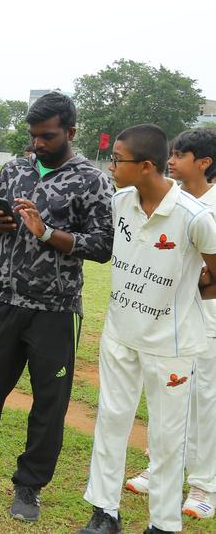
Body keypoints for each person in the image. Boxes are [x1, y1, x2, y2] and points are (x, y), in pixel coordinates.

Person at [0, 92, 113, 523]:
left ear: (71, 132)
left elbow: (102, 245)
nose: (37, 143)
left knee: (49, 402)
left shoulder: (91, 180)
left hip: (54, 308)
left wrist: (47, 232)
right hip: (0, 300)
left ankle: (30, 486)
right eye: (34, 135)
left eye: (47, 136)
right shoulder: (15, 169)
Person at [75, 125, 216, 534]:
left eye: (118, 160)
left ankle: (164, 524)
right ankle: (105, 512)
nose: (111, 167)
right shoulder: (120, 201)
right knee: (111, 420)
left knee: (168, 437)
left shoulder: (195, 217)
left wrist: (183, 297)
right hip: (120, 334)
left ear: (146, 166)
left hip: (170, 345)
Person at [123, 128, 216, 520]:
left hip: (206, 320)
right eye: (171, 154)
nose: (171, 161)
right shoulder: (168, 199)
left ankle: (204, 485)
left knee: (203, 401)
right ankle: (160, 469)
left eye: (180, 155)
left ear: (204, 162)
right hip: (161, 319)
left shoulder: (209, 208)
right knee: (163, 397)